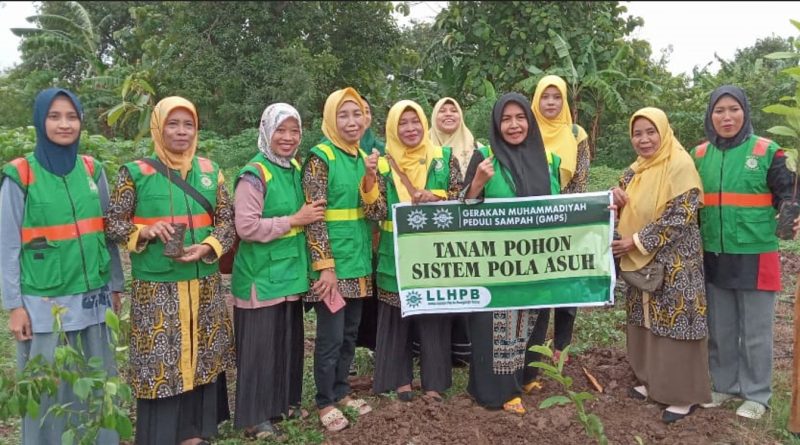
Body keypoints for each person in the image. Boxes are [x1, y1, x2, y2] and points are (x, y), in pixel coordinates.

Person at [105, 96, 236, 445]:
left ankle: (195, 431)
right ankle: (162, 435)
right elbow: (113, 224)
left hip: (204, 285)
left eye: (188, 124)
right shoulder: (135, 173)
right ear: (158, 128)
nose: (181, 131)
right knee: (162, 360)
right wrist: (145, 231)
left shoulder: (210, 171)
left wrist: (208, 246)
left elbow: (227, 222)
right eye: (172, 124)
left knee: (201, 355)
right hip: (157, 287)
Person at [0, 88, 124, 445]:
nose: (64, 124)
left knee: (98, 382)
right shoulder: (20, 175)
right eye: (54, 116)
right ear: (40, 121)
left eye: (71, 117)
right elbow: (7, 246)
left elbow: (108, 234)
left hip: (94, 299)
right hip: (44, 304)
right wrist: (14, 306)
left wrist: (116, 284)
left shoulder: (92, 170)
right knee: (48, 389)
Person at [692, 85, 795, 420]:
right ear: (710, 116)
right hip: (714, 252)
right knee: (720, 328)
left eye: (733, 109)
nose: (727, 117)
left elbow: (788, 194)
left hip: (756, 253)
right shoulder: (700, 155)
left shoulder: (767, 151)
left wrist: (792, 212)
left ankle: (756, 394)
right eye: (719, 110)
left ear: (745, 112)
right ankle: (724, 385)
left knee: (755, 332)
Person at [229, 103, 325, 439]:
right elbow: (246, 227)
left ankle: (282, 406)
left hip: (289, 274)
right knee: (260, 350)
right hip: (261, 276)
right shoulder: (254, 174)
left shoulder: (293, 167)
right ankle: (254, 417)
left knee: (285, 345)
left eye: (294, 131)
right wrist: (294, 220)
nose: (288, 137)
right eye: (280, 130)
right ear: (266, 131)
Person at [610, 107, 710, 423]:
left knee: (676, 323)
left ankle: (682, 395)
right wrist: (614, 201)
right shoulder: (633, 172)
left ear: (664, 132)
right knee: (645, 319)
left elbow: (680, 216)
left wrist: (636, 241)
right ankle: (650, 381)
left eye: (650, 132)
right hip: (640, 262)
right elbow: (620, 210)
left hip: (676, 261)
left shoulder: (680, 165)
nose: (644, 139)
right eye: (637, 133)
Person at [461, 93, 558, 414]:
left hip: (536, 259)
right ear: (496, 124)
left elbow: (562, 206)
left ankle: (526, 376)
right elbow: (463, 210)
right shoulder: (485, 159)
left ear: (530, 122)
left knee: (532, 319)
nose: (514, 125)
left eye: (520, 118)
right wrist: (477, 183)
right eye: (506, 119)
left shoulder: (546, 159)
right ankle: (500, 391)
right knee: (501, 325)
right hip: (495, 264)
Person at [361, 100, 461, 402]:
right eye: (402, 123)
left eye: (415, 121)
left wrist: (437, 196)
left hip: (434, 254)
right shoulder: (382, 164)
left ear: (424, 123)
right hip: (394, 254)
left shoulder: (444, 158)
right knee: (395, 315)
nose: (410, 128)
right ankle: (399, 381)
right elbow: (375, 212)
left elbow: (461, 197)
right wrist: (369, 179)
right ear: (393, 128)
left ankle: (434, 383)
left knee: (434, 315)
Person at [302, 87, 374, 432]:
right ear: (331, 119)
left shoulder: (363, 157)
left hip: (358, 261)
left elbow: (374, 210)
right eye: (343, 115)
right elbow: (314, 217)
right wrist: (325, 266)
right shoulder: (321, 158)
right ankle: (325, 401)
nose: (351, 121)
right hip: (332, 265)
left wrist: (372, 178)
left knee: (349, 333)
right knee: (330, 337)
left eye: (356, 114)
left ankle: (342, 390)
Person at [527, 75, 591, 367]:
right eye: (545, 96)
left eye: (556, 97)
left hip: (566, 216)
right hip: (531, 217)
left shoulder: (576, 134)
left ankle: (561, 345)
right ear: (536, 99)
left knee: (566, 280)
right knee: (537, 279)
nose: (550, 103)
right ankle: (534, 344)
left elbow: (581, 177)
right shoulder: (527, 131)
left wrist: (562, 210)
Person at [429, 97, 479, 367]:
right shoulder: (423, 146)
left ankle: (462, 350)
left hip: (467, 229)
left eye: (454, 110)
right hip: (431, 232)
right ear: (433, 117)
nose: (448, 114)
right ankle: (432, 348)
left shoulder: (476, 148)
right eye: (442, 111)